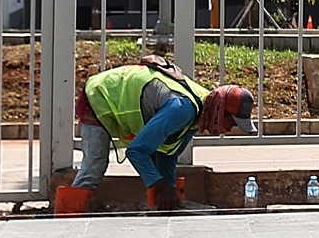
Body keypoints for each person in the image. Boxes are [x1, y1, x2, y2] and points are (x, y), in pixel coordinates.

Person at [56, 59, 255, 214]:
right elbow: (136, 151)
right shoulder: (182, 109)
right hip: (100, 95)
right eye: (232, 122)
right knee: (95, 165)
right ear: (220, 111)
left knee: (154, 166)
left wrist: (168, 189)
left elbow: (168, 154)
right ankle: (69, 216)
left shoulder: (200, 110)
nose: (229, 129)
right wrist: (159, 186)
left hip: (117, 97)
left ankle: (157, 206)